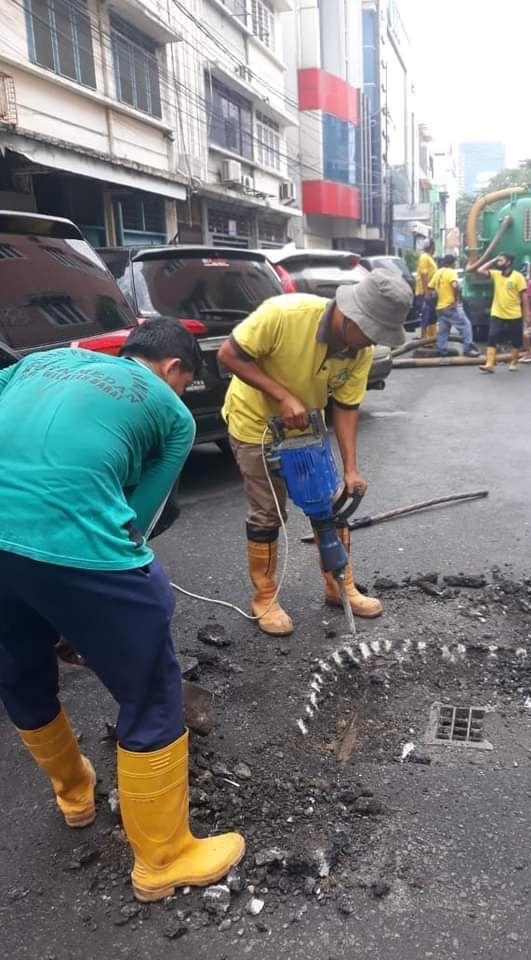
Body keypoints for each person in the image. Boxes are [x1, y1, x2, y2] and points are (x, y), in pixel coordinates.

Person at [0, 320, 245, 903]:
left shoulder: (38, 361)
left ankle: (75, 795)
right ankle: (163, 859)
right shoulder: (172, 411)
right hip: (78, 546)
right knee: (153, 688)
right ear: (172, 370)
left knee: (19, 669)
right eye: (184, 382)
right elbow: (139, 520)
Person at [216, 268, 413, 638]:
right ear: (352, 315)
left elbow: (347, 406)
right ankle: (265, 597)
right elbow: (229, 355)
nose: (371, 342)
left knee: (331, 507)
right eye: (370, 332)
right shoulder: (284, 315)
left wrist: (352, 468)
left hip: (309, 432)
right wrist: (282, 395)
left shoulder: (360, 349)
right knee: (267, 513)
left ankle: (340, 586)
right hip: (256, 425)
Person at [472, 252, 529, 373]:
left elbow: (524, 296)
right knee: (492, 336)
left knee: (516, 340)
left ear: (508, 262)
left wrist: (527, 313)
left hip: (514, 313)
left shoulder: (518, 276)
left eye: (501, 260)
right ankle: (489, 364)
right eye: (498, 260)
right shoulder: (496, 274)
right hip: (497, 312)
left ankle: (514, 362)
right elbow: (480, 270)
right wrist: (494, 260)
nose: (498, 262)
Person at [428, 254, 479, 357]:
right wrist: (455, 301)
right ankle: (467, 349)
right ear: (452, 263)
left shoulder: (438, 272)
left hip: (439, 307)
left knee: (443, 329)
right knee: (466, 325)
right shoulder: (451, 272)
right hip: (449, 306)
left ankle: (442, 350)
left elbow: (430, 288)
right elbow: (455, 285)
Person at [414, 239, 438, 340]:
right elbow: (424, 275)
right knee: (426, 315)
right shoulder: (424, 257)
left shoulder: (429, 257)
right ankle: (424, 338)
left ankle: (431, 338)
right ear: (432, 246)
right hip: (425, 292)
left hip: (431, 291)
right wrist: (426, 292)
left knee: (431, 316)